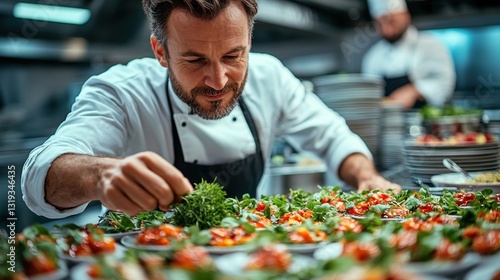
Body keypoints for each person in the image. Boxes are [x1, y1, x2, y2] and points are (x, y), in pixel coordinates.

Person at [21, 0, 400, 219]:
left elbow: (331, 136)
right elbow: (39, 174)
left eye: (233, 55)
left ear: (249, 41)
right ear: (160, 52)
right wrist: (100, 175)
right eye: (195, 60)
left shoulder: (270, 77)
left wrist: (367, 177)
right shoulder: (121, 93)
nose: (218, 80)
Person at [362, 0, 456, 109]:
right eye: (379, 23)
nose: (387, 30)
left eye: (391, 21)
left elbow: (445, 84)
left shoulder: (430, 45)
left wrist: (415, 91)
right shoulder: (372, 57)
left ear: (406, 15)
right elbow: (369, 94)